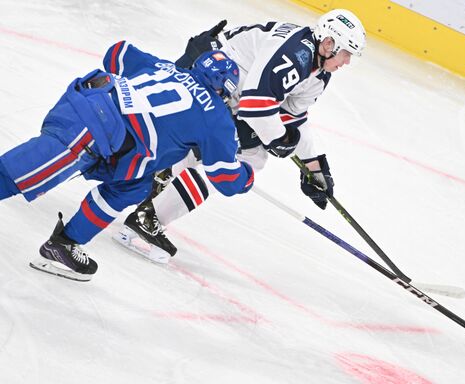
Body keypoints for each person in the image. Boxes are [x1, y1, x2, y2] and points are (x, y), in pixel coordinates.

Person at [115, 9, 367, 262]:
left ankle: (157, 188)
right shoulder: (295, 54)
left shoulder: (319, 72)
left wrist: (315, 167)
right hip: (208, 74)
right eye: (345, 53)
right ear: (328, 43)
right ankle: (150, 210)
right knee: (246, 157)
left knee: (225, 152)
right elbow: (256, 106)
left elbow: (293, 116)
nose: (346, 62)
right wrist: (278, 140)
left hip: (229, 86)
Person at [0, 45, 254, 281]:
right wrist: (247, 175)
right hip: (91, 129)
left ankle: (64, 244)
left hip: (92, 108)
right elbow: (226, 179)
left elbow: (117, 52)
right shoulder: (217, 118)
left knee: (133, 186)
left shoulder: (166, 66)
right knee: (17, 174)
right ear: (222, 89)